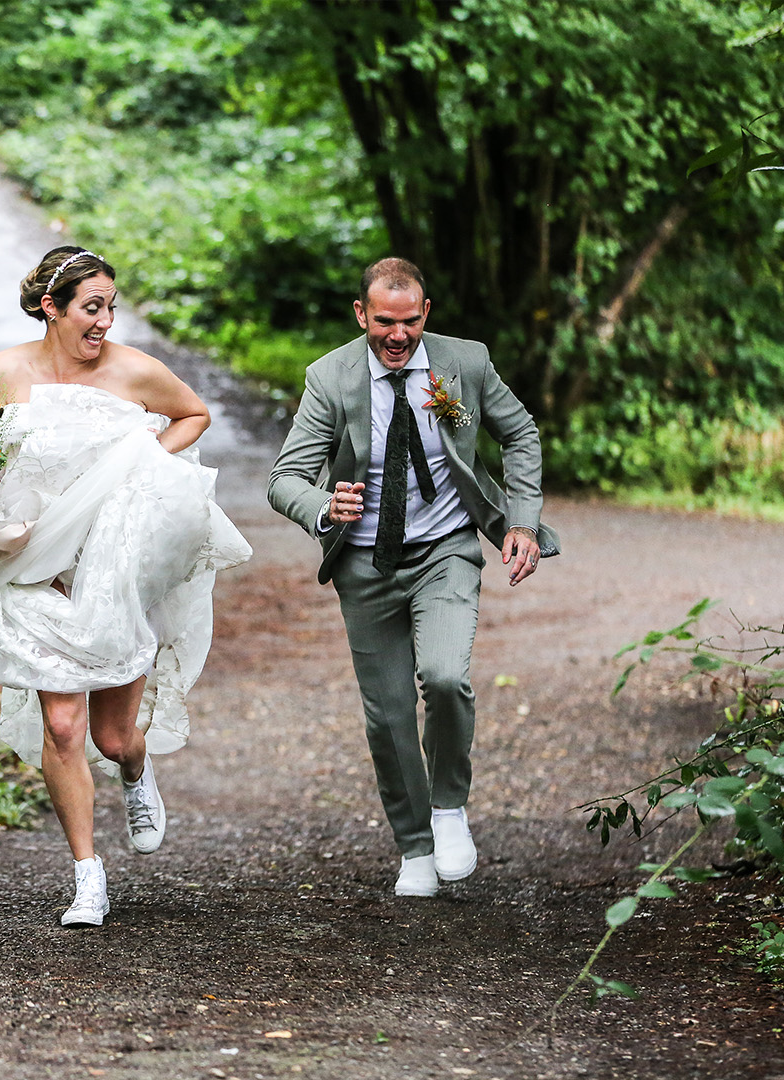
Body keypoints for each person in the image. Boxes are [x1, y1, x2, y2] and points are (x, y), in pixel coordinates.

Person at [0, 246, 251, 927]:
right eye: (93, 308)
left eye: (111, 308)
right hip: (29, 561)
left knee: (112, 736)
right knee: (63, 724)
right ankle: (88, 876)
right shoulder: (5, 369)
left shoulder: (133, 371)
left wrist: (141, 468)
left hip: (109, 564)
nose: (105, 322)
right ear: (49, 307)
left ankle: (134, 769)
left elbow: (194, 415)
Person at [267, 257, 558, 899]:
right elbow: (284, 476)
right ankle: (415, 847)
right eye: (382, 323)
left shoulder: (467, 362)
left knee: (448, 677)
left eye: (408, 322)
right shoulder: (330, 377)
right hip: (365, 563)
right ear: (361, 315)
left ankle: (449, 807)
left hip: (445, 550)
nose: (396, 337)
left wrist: (524, 522)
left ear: (426, 313)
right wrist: (322, 507)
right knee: (390, 714)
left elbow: (522, 435)